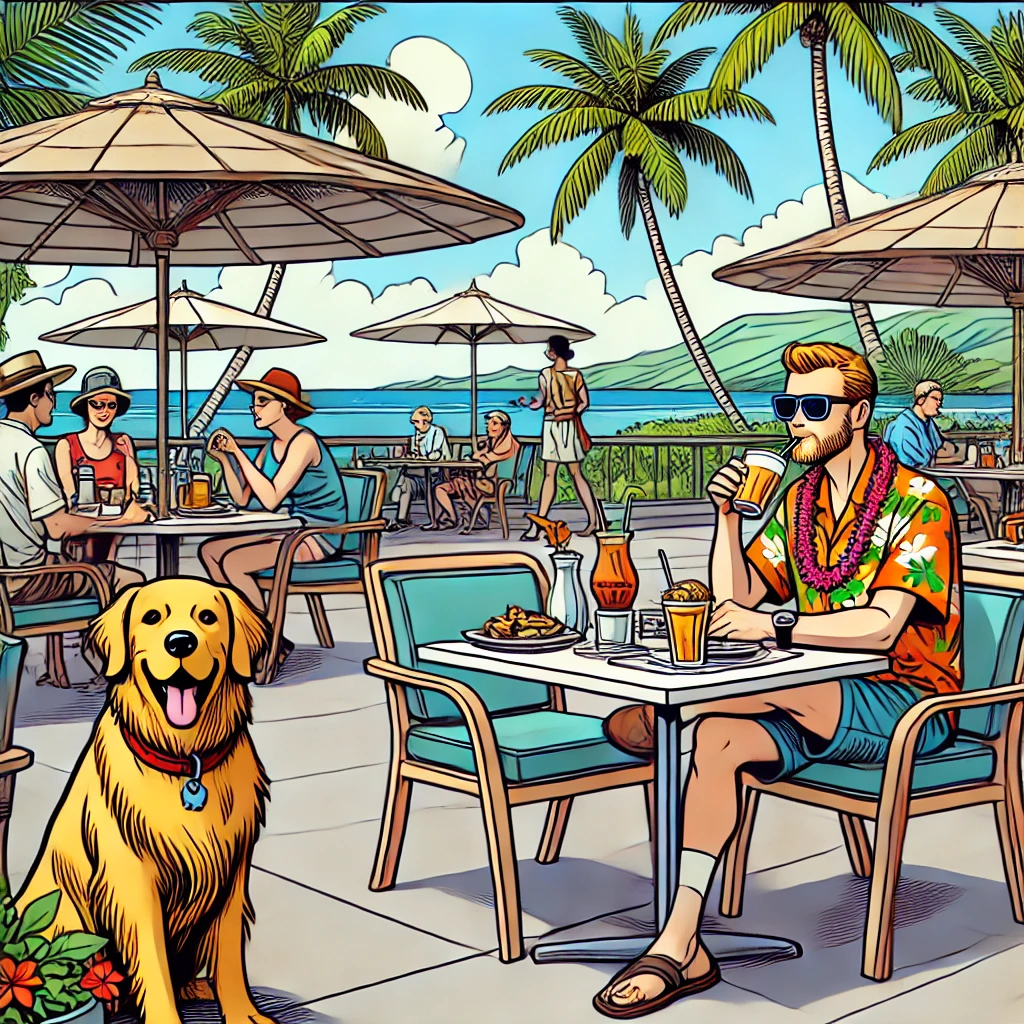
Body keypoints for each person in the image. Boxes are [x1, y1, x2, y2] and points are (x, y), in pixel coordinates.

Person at [593, 342, 961, 1018]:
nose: (794, 420)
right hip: (812, 694)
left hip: (909, 704)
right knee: (719, 740)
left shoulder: (919, 502)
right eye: (786, 405)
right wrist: (727, 520)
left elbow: (881, 627)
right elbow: (740, 599)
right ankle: (682, 943)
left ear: (859, 414)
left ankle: (659, 719)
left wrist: (778, 631)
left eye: (812, 407)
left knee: (717, 703)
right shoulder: (800, 500)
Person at [201, 368, 348, 643]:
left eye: (262, 401)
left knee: (233, 562)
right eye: (254, 402)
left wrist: (238, 453)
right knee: (210, 550)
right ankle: (244, 627)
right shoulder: (269, 448)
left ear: (285, 405)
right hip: (292, 528)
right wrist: (224, 459)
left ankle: (264, 641)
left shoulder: (303, 442)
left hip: (319, 535)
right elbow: (243, 498)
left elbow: (271, 499)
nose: (254, 409)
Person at [0, 351, 147, 612]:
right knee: (133, 579)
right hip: (30, 578)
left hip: (8, 575)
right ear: (34, 399)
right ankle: (112, 650)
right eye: (50, 394)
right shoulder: (32, 450)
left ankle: (59, 654)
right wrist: (124, 520)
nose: (53, 403)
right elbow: (56, 526)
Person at [518, 335, 600, 538]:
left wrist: (567, 413)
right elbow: (543, 400)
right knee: (554, 475)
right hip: (553, 426)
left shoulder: (569, 375)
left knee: (572, 474)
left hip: (565, 425)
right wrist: (528, 403)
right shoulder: (549, 374)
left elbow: (582, 403)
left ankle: (593, 520)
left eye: (548, 348)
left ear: (554, 352)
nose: (547, 352)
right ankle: (540, 523)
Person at [55, 367, 140, 562]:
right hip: (81, 537)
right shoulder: (67, 445)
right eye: (97, 404)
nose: (104, 411)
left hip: (115, 534)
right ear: (86, 406)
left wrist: (128, 457)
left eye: (111, 405)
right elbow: (71, 501)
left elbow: (134, 492)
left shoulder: (123, 442)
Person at [426, 410, 519, 531]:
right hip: (479, 480)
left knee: (454, 479)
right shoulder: (490, 443)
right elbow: (476, 457)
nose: (489, 427)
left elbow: (485, 461)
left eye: (494, 423)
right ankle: (451, 518)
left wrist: (479, 457)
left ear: (504, 426)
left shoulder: (508, 446)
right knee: (440, 487)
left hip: (491, 484)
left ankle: (475, 518)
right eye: (488, 424)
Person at [386, 406, 451, 532]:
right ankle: (402, 519)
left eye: (416, 422)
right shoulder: (417, 435)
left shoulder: (436, 433)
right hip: (422, 473)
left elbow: (435, 456)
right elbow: (418, 455)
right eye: (413, 422)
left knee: (405, 476)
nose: (415, 425)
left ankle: (398, 486)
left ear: (426, 421)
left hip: (436, 474)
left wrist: (419, 457)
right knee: (407, 484)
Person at [883, 380, 952, 468]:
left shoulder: (928, 422)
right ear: (921, 400)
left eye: (940, 400)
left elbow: (939, 447)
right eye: (935, 399)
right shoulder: (903, 428)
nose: (939, 403)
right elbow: (911, 465)